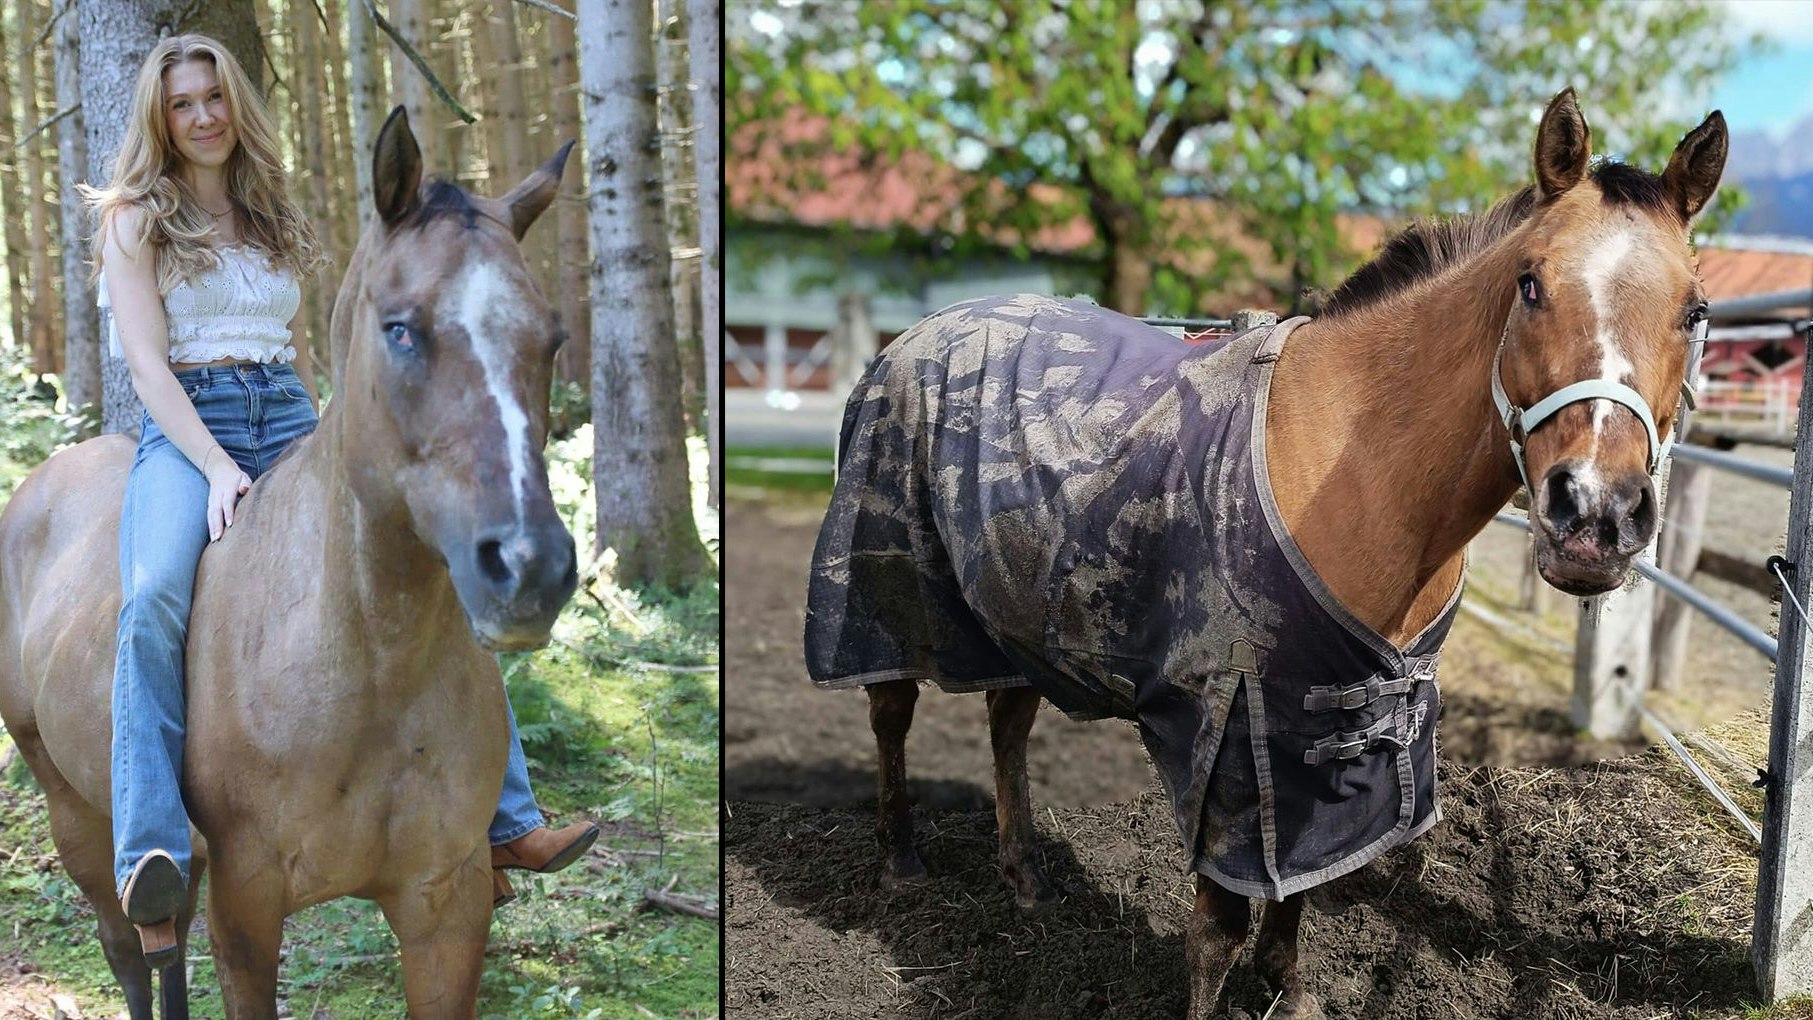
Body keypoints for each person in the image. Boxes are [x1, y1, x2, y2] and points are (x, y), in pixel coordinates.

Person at [84, 34, 596, 962]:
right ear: (159, 121)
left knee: (425, 561)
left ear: (234, 103)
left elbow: (319, 339)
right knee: (154, 595)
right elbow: (149, 368)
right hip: (186, 425)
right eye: (182, 105)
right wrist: (213, 467)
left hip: (286, 408)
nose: (202, 117)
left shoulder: (264, 208)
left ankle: (509, 815)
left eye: (213, 97)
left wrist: (324, 439)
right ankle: (151, 844)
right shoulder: (132, 219)